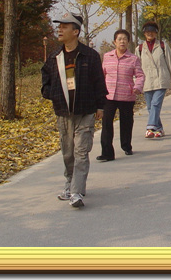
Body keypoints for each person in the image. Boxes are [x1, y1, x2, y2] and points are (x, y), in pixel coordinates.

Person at [41, 12, 107, 208]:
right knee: (68, 153)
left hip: (85, 112)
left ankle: (77, 192)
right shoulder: (54, 57)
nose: (60, 30)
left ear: (75, 31)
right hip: (63, 113)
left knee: (81, 152)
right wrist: (53, 94)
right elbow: (45, 83)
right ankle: (69, 184)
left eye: (65, 27)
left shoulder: (90, 56)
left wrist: (100, 106)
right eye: (59, 26)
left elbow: (99, 82)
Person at [98, 29, 145, 161]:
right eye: (119, 39)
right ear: (115, 42)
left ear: (128, 42)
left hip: (127, 95)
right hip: (109, 96)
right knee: (106, 124)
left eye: (125, 39)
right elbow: (102, 74)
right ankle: (107, 153)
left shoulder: (133, 59)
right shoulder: (107, 56)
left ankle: (126, 146)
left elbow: (140, 75)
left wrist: (137, 87)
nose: (122, 41)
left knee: (126, 123)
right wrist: (99, 91)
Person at [136, 21, 171, 138]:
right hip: (147, 82)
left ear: (156, 33)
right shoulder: (139, 49)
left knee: (155, 104)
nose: (150, 33)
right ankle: (159, 129)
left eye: (152, 31)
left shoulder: (163, 46)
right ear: (144, 33)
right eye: (147, 31)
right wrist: (136, 83)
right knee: (150, 107)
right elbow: (136, 67)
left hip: (161, 80)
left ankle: (150, 127)